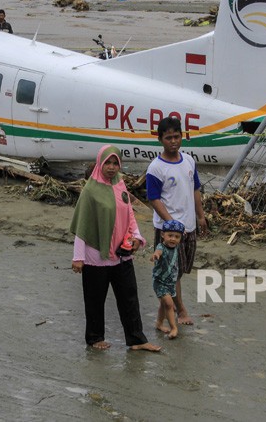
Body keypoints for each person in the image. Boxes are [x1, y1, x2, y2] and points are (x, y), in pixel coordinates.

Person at [70, 145, 161, 352]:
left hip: (121, 254)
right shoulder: (90, 191)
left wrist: (137, 237)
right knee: (94, 299)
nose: (111, 168)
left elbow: (129, 215)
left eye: (115, 163)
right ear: (100, 163)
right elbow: (82, 226)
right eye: (107, 163)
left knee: (129, 297)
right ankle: (94, 338)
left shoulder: (120, 185)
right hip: (95, 255)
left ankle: (137, 339)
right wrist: (78, 257)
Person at [145, 116, 208, 326]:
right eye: (168, 137)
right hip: (169, 230)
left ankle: (164, 310)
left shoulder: (189, 161)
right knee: (172, 272)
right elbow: (153, 198)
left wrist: (200, 216)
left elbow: (195, 189)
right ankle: (180, 311)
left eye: (176, 136)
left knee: (180, 269)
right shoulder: (156, 168)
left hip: (188, 226)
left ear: (182, 136)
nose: (173, 141)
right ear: (160, 139)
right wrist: (171, 225)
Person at [151, 219, 183, 340]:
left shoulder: (176, 247)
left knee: (163, 304)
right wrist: (156, 255)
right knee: (169, 304)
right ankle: (174, 327)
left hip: (171, 282)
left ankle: (159, 323)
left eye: (176, 237)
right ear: (162, 235)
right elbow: (158, 251)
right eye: (170, 235)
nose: (173, 239)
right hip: (160, 281)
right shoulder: (161, 247)